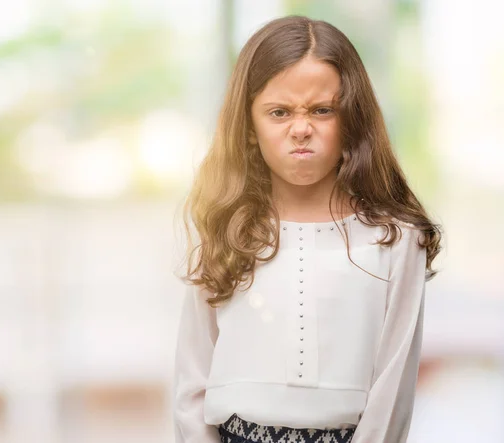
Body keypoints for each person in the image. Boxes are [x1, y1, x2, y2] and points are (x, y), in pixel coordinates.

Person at [172, 15, 443, 443]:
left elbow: (393, 394)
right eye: (279, 112)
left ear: (352, 118)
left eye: (322, 110)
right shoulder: (227, 228)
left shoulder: (396, 238)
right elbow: (191, 384)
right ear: (248, 123)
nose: (301, 129)